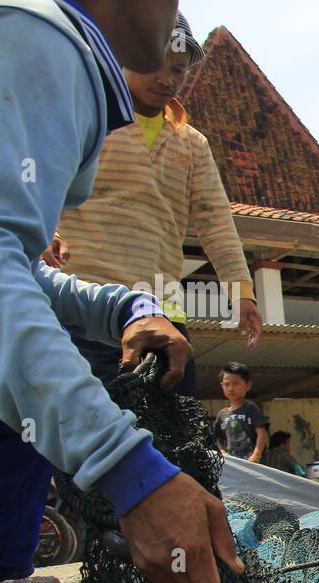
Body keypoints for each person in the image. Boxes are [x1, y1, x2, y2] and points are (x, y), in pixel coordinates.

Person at [0, 0, 244, 583]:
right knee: (26, 372)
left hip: (122, 303)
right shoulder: (42, 31)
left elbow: (8, 268)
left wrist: (123, 308)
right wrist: (132, 474)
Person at [54, 11, 262, 395]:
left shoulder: (192, 143)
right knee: (83, 435)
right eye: (155, 66)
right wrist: (47, 232)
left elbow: (216, 223)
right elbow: (43, 181)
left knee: (168, 436)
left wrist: (241, 292)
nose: (167, 79)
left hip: (164, 312)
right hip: (87, 305)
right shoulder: (88, 113)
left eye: (179, 70)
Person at [215, 363, 269, 464]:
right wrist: (222, 452)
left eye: (236, 384)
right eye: (226, 384)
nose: (230, 388)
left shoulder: (251, 408)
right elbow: (217, 438)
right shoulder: (222, 414)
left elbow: (262, 434)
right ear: (222, 386)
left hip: (254, 464)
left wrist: (256, 455)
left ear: (248, 385)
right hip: (235, 466)